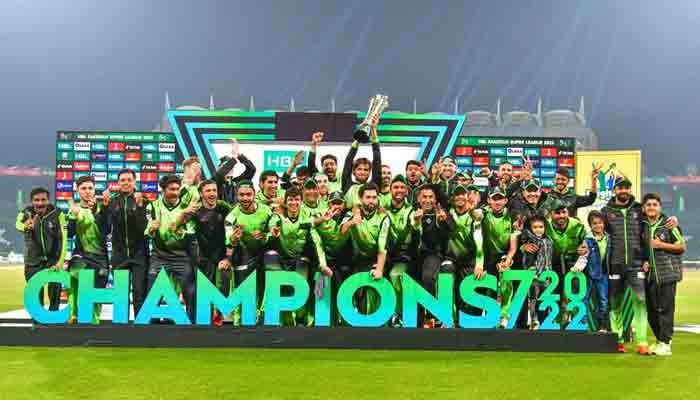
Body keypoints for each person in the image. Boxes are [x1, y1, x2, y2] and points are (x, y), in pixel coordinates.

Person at [265, 187, 329, 326]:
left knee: (301, 284)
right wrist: (273, 230)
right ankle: (275, 318)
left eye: (297, 199)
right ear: (286, 202)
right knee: (271, 258)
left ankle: (301, 318)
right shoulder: (278, 216)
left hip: (300, 260)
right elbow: (272, 224)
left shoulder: (307, 218)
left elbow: (317, 242)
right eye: (290, 200)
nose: (293, 203)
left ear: (301, 201)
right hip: (281, 260)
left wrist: (322, 264)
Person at [602, 176, 650, 354]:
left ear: (630, 190)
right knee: (615, 303)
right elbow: (600, 235)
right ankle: (618, 339)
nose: (623, 191)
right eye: (620, 188)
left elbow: (652, 223)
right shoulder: (605, 210)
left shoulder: (639, 209)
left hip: (636, 264)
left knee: (641, 301)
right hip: (615, 264)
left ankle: (642, 342)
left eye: (626, 188)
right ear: (614, 190)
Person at [177, 179, 232, 326]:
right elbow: (176, 227)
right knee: (197, 298)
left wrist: (228, 256)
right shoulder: (195, 211)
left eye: (214, 190)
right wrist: (184, 213)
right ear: (201, 194)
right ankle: (197, 327)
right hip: (202, 260)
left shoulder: (225, 208)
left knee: (224, 290)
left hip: (222, 259)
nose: (212, 193)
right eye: (208, 191)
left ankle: (218, 313)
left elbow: (232, 229)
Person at [145, 175, 197, 323]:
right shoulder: (153, 206)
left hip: (181, 256)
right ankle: (151, 327)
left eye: (177, 189)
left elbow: (191, 233)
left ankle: (192, 325)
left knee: (190, 292)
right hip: (159, 256)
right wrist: (152, 229)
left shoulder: (186, 208)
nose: (175, 193)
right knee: (153, 292)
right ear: (163, 190)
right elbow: (149, 230)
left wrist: (182, 233)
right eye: (171, 189)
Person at [223, 180, 273, 325]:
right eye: (241, 195)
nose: (245, 198)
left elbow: (273, 231)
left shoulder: (266, 211)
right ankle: (238, 323)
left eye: (248, 194)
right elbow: (229, 241)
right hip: (244, 255)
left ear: (254, 194)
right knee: (242, 290)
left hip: (263, 254)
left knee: (265, 286)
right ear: (237, 196)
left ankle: (263, 316)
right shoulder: (231, 216)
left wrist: (265, 235)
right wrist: (233, 239)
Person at [641, 193, 686, 356]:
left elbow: (681, 247)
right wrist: (645, 261)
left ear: (660, 207)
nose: (651, 207)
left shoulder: (669, 224)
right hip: (651, 275)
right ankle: (660, 340)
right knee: (652, 310)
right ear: (644, 208)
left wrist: (661, 244)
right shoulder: (643, 225)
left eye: (654, 204)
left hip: (667, 274)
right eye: (648, 205)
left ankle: (666, 343)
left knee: (666, 310)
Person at [103, 168, 150, 318]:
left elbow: (144, 228)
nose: (126, 183)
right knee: (120, 296)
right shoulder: (112, 202)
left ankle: (140, 329)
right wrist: (104, 208)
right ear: (118, 182)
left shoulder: (144, 200)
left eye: (129, 180)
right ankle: (122, 329)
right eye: (122, 180)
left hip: (139, 256)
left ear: (134, 182)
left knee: (139, 294)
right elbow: (105, 229)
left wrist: (140, 207)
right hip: (119, 256)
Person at [340, 183, 390, 315]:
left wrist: (379, 269)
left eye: (374, 197)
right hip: (355, 260)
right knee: (356, 292)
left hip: (377, 260)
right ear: (361, 199)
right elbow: (342, 231)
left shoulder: (383, 217)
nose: (371, 201)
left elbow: (382, 246)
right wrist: (352, 221)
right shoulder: (351, 213)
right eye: (368, 197)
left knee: (371, 288)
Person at [410, 184, 455, 328]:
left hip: (433, 255)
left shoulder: (442, 213)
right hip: (413, 258)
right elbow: (409, 237)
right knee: (411, 286)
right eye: (424, 197)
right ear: (418, 198)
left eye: (431, 197)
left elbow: (453, 229)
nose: (427, 200)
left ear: (435, 199)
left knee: (428, 278)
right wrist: (416, 223)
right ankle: (412, 321)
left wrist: (444, 221)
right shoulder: (412, 213)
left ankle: (432, 315)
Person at [66, 176, 109, 324]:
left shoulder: (103, 207)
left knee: (97, 291)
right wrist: (73, 216)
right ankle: (74, 314)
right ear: (78, 191)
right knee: (74, 278)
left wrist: (97, 211)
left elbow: (106, 230)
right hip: (81, 254)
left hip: (100, 257)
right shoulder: (74, 209)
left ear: (94, 190)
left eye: (90, 188)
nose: (87, 191)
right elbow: (70, 233)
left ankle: (93, 320)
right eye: (83, 188)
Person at [16, 187, 66, 313]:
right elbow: (18, 224)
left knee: (55, 291)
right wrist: (25, 226)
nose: (40, 203)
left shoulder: (57, 213)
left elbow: (64, 238)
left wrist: (59, 262)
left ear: (48, 200)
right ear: (32, 201)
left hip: (52, 260)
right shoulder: (26, 213)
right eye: (36, 200)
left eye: (43, 200)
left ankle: (53, 318)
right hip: (33, 261)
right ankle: (37, 321)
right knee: (35, 293)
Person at [507, 214, 552, 330]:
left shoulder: (548, 240)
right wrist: (530, 268)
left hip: (547, 275)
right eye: (535, 227)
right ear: (530, 229)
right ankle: (534, 320)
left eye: (541, 227)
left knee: (545, 299)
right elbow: (525, 254)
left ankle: (545, 321)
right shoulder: (529, 240)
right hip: (534, 276)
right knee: (533, 299)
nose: (538, 229)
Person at [545, 200, 586, 327]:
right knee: (555, 297)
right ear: (551, 214)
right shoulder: (545, 226)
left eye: (564, 212)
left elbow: (586, 244)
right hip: (553, 266)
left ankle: (576, 326)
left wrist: (584, 248)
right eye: (557, 213)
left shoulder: (577, 226)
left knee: (574, 297)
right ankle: (557, 324)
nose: (561, 216)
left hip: (573, 266)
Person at [445, 184, 484, 320]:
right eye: (457, 194)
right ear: (453, 198)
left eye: (463, 194)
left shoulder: (475, 216)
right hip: (451, 258)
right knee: (446, 278)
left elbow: (479, 241)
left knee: (467, 291)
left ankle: (467, 322)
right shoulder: (447, 214)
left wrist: (479, 264)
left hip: (469, 259)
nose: (460, 197)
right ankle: (449, 319)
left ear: (467, 197)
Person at [315, 191, 352, 325]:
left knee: (343, 292)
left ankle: (344, 320)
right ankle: (320, 320)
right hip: (325, 260)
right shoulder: (321, 216)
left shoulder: (349, 216)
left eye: (339, 203)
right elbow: (312, 228)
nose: (336, 206)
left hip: (345, 261)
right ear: (328, 204)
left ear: (344, 204)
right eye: (333, 203)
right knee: (320, 289)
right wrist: (322, 264)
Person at [480, 187, 514, 328]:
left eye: (500, 198)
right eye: (494, 198)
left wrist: (508, 259)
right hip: (487, 257)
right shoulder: (484, 213)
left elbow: (513, 244)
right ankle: (491, 317)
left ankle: (505, 315)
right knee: (489, 289)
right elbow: (475, 214)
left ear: (505, 200)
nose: (497, 202)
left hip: (506, 256)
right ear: (489, 200)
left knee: (507, 281)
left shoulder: (512, 215)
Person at [384, 175, 415, 327]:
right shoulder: (382, 208)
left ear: (407, 191)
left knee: (396, 275)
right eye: (396, 187)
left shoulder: (412, 210)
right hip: (384, 254)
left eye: (402, 187)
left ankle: (399, 314)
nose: (399, 190)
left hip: (404, 256)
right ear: (390, 190)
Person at [579, 210, 611, 332]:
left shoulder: (609, 238)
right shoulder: (587, 239)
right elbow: (583, 256)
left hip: (603, 273)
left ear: (604, 224)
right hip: (589, 273)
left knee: (603, 300)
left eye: (600, 223)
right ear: (590, 225)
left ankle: (602, 325)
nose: (598, 226)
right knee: (584, 299)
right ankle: (583, 324)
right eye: (594, 223)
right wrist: (578, 267)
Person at [341, 114, 381, 208]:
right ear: (353, 171)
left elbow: (377, 160)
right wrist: (359, 137)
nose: (362, 172)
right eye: (359, 169)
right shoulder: (347, 185)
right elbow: (349, 160)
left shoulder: (373, 186)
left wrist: (373, 129)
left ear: (370, 172)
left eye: (366, 169)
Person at [214, 139, 256, 205]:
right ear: (219, 168)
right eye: (226, 166)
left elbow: (251, 169)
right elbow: (220, 175)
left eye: (231, 167)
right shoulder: (214, 182)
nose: (229, 169)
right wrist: (234, 159)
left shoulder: (237, 182)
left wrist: (239, 155)